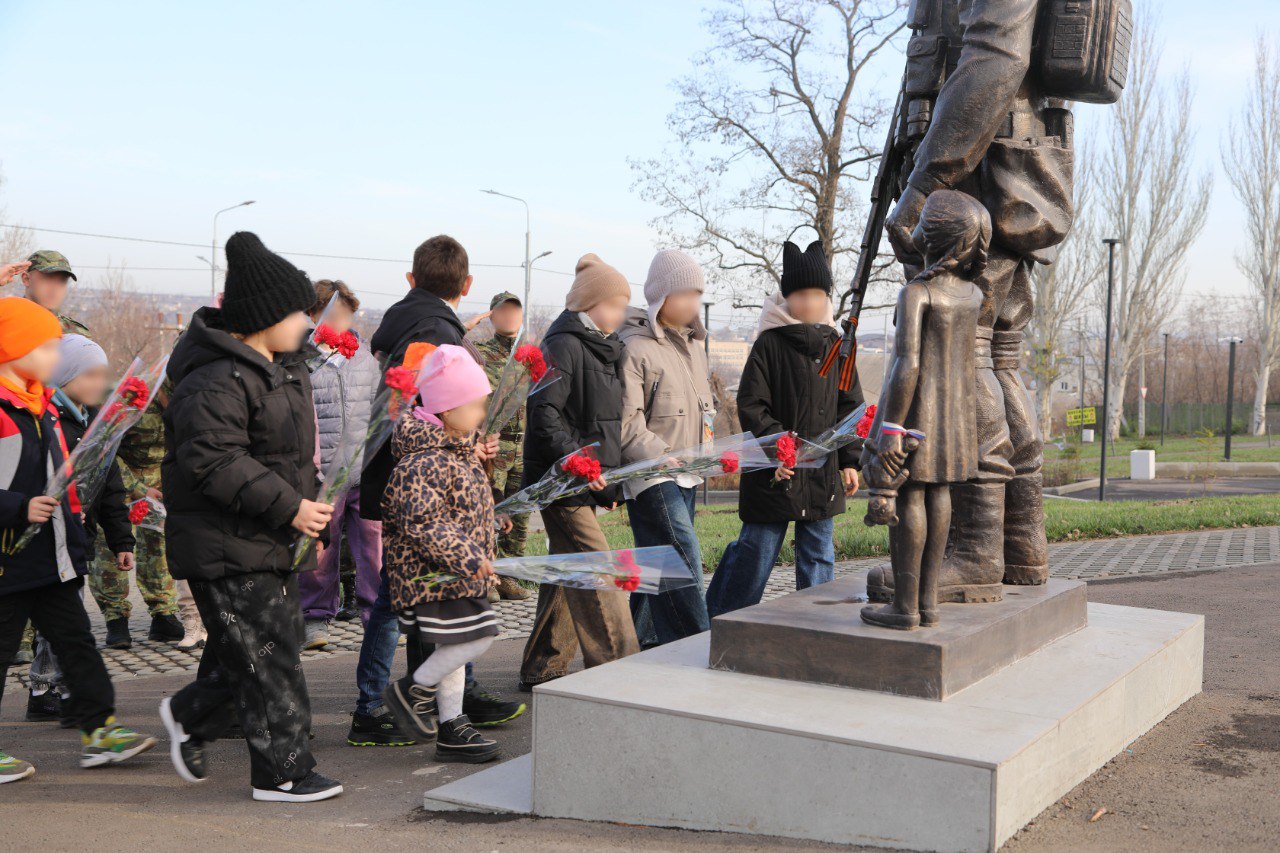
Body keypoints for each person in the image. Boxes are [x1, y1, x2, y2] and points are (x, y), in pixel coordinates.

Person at [156, 231, 343, 803]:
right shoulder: (216, 378)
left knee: (263, 644)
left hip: (267, 535)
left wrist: (304, 515)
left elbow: (287, 453)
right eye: (297, 313)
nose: (308, 325)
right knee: (269, 660)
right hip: (225, 541)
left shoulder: (279, 367)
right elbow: (213, 461)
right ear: (264, 316)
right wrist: (291, 507)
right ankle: (282, 773)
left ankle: (190, 713)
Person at [350, 235, 523, 747]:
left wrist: (469, 448)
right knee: (409, 599)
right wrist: (458, 441)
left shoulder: (401, 322)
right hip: (419, 477)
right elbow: (422, 406)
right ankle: (385, 702)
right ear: (468, 285)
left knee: (415, 599)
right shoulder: (437, 332)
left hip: (405, 467)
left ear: (411, 279)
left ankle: (441, 703)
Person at [0, 297, 156, 784]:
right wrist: (15, 507)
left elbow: (73, 481)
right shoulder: (6, 412)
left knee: (78, 644)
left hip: (54, 560)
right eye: (44, 346)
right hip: (9, 561)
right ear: (12, 347)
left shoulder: (41, 408)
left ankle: (100, 731)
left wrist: (84, 541)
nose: (53, 354)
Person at [705, 241, 863, 618]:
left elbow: (850, 407)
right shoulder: (768, 345)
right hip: (775, 472)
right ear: (786, 296)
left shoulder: (840, 347)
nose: (808, 302)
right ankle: (722, 620)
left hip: (822, 473)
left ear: (827, 297)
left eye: (816, 294)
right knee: (755, 552)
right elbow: (752, 404)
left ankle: (816, 624)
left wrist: (849, 460)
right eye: (799, 294)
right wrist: (781, 449)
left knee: (819, 553)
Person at [861, 191, 987, 630]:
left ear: (931, 235)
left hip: (916, 413)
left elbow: (907, 362)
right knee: (940, 496)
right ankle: (929, 604)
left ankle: (905, 607)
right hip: (954, 418)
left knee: (912, 496)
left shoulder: (917, 294)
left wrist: (890, 427)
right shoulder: (972, 294)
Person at [519, 254, 641, 691]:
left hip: (588, 477)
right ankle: (620, 667)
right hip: (562, 480)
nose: (621, 314)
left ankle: (542, 665)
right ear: (588, 305)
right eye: (614, 304)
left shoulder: (607, 348)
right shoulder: (564, 345)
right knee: (598, 568)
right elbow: (545, 412)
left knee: (569, 568)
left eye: (624, 304)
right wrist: (578, 461)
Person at [381, 345, 503, 763]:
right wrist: (470, 557)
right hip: (432, 574)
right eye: (475, 405)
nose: (481, 414)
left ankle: (451, 727)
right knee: (479, 634)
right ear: (448, 409)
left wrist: (493, 523)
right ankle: (411, 689)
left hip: (456, 571)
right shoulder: (421, 461)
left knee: (458, 645)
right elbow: (424, 523)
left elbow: (463, 507)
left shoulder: (457, 452)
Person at [30, 336, 136, 724]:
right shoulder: (42, 418)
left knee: (70, 630)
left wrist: (122, 538)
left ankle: (82, 709)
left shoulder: (93, 420)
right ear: (65, 374)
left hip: (74, 539)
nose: (98, 383)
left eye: (103, 374)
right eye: (89, 374)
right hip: (36, 543)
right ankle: (48, 690)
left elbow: (109, 485)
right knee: (36, 631)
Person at [618, 249, 713, 646]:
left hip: (688, 471)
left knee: (657, 563)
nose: (694, 302)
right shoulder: (636, 347)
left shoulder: (694, 346)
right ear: (661, 296)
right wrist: (660, 454)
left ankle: (629, 644)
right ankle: (700, 645)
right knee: (682, 558)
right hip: (653, 473)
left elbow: (703, 409)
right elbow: (627, 423)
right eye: (685, 293)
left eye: (698, 292)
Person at [299, 279, 382, 650]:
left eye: (346, 315)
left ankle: (377, 615)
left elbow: (379, 408)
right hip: (323, 474)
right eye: (332, 315)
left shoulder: (364, 356)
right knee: (320, 552)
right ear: (313, 316)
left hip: (365, 470)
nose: (340, 323)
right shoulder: (301, 359)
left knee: (374, 548)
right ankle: (316, 617)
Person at [112, 393, 190, 650]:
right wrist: (136, 488)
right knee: (112, 548)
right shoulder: (132, 397)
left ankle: (163, 614)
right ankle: (116, 619)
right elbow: (106, 449)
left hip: (163, 479)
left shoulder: (189, 395)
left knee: (159, 549)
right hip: (122, 482)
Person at [476, 291, 532, 601]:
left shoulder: (531, 357)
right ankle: (488, 578)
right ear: (492, 316)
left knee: (519, 513)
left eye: (515, 311)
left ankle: (509, 577)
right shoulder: (482, 355)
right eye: (503, 311)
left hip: (523, 446)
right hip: (494, 447)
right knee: (490, 513)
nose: (510, 316)